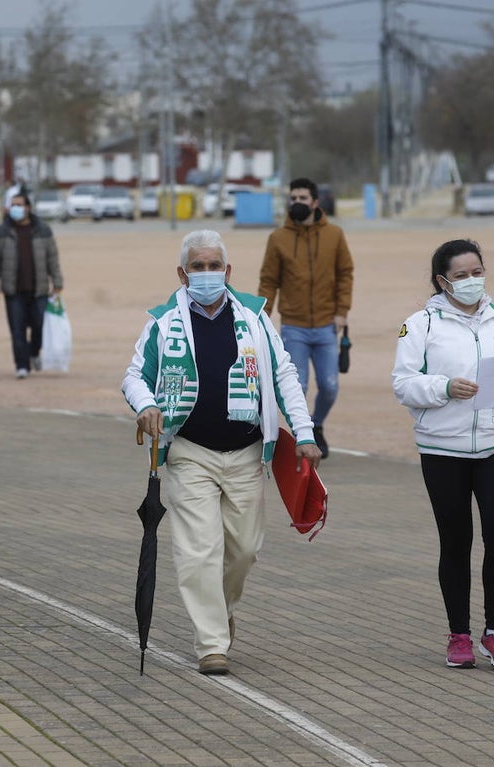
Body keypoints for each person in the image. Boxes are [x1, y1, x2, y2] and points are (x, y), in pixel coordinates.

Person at [122, 229, 321, 676]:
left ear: (228, 271)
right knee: (198, 551)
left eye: (215, 266)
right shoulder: (163, 322)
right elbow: (134, 376)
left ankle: (221, 607)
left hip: (249, 452)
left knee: (245, 549)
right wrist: (147, 404)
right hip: (190, 452)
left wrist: (304, 432)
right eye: (198, 266)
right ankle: (211, 642)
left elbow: (284, 373)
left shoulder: (254, 316)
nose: (207, 274)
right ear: (182, 273)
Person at [391, 238, 494, 671]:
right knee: (456, 541)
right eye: (461, 275)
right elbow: (403, 383)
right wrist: (443, 387)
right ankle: (458, 634)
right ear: (442, 281)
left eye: (477, 272)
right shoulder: (420, 324)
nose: (472, 281)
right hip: (442, 448)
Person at [257, 177, 355, 460]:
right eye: (293, 198)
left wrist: (342, 312)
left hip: (327, 325)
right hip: (293, 326)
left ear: (315, 202)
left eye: (303, 198)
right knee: (296, 386)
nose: (297, 203)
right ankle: (304, 436)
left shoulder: (334, 234)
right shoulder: (278, 238)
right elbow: (268, 280)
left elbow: (345, 274)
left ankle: (318, 424)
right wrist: (261, 318)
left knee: (329, 386)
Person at [0, 191, 64, 379]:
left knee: (39, 326)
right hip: (13, 290)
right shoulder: (1, 231)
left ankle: (34, 352)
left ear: (28, 207)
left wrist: (58, 281)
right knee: (17, 328)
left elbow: (52, 258)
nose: (16, 209)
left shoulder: (42, 230)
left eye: (19, 205)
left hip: (39, 289)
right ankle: (21, 365)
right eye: (13, 205)